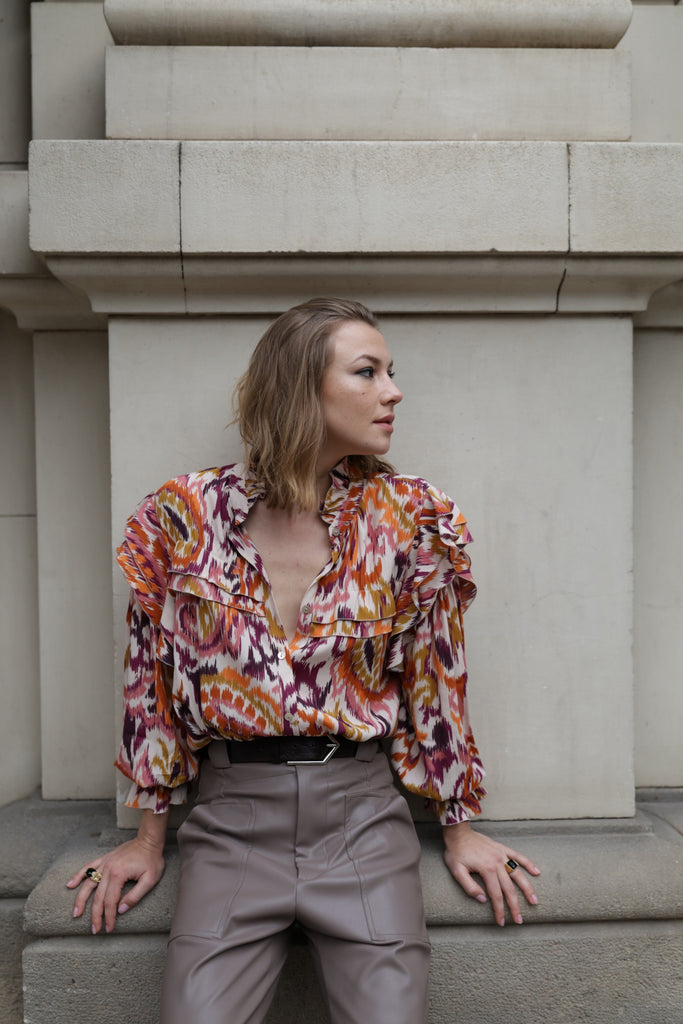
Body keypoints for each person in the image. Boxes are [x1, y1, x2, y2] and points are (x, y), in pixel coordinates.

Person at [68, 298, 540, 1024]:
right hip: (230, 825)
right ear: (300, 388)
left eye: (390, 372)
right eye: (367, 372)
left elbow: (437, 684)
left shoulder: (408, 519)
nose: (393, 392)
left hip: (361, 824)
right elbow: (149, 686)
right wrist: (148, 838)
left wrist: (458, 826)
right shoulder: (183, 516)